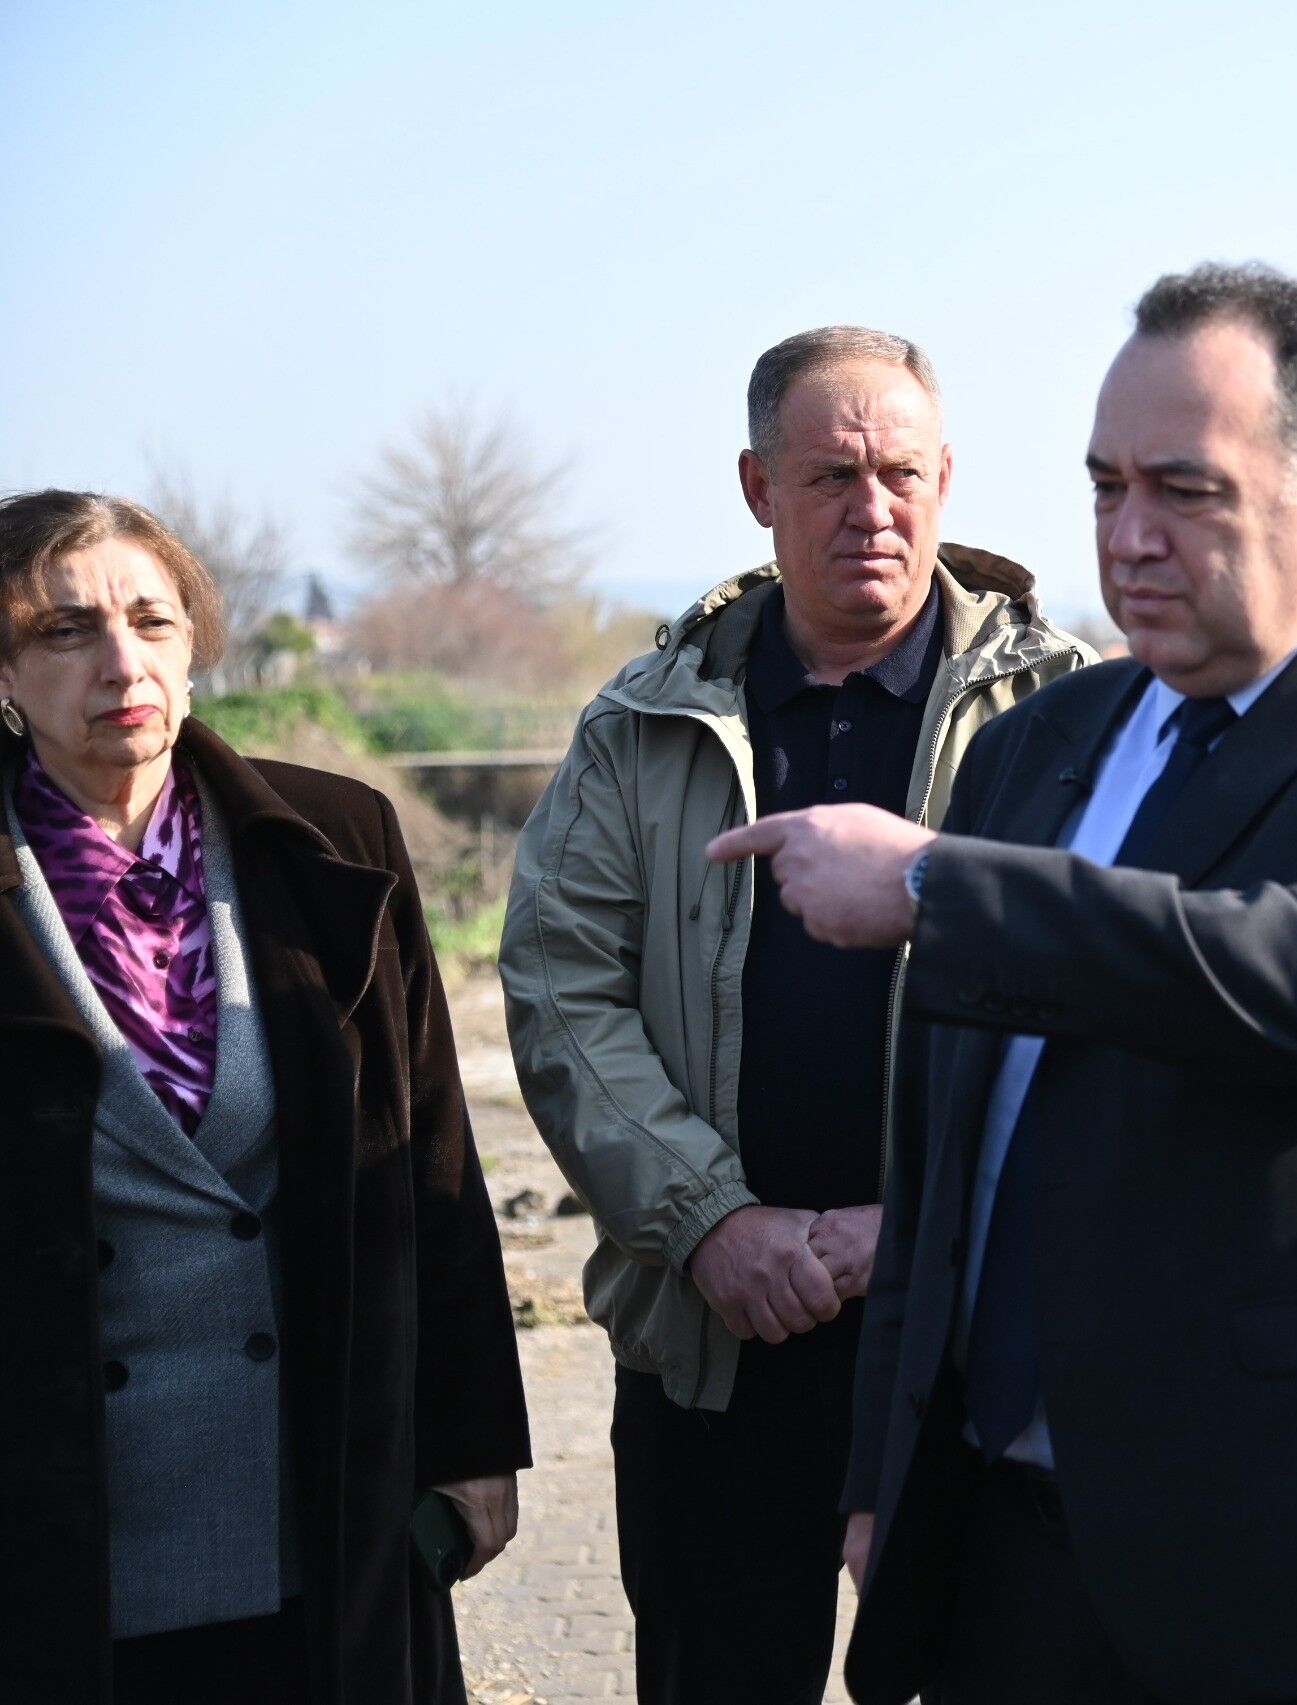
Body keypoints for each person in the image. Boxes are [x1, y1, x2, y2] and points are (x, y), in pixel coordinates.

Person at [727, 263, 1297, 1704]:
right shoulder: (1037, 747)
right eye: (1106, 487)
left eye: (1185, 491)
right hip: (1010, 1553)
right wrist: (889, 1469)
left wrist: (938, 885)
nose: (1130, 537)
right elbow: (944, 1151)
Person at [500, 327, 1090, 1703]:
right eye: (830, 475)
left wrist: (925, 1226)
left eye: (899, 473)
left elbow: (1108, 1008)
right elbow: (560, 987)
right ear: (758, 487)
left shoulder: (1066, 714)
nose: (870, 509)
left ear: (946, 478)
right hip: (720, 1336)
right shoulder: (644, 723)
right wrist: (710, 1220)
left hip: (977, 1345)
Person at [0, 490, 530, 1705]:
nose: (121, 662)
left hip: (322, 1497)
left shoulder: (330, 838)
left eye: (152, 620)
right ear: (6, 673)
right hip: (63, 1528)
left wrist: (472, 1438)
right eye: (66, 630)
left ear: (195, 641)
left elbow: (434, 1159)